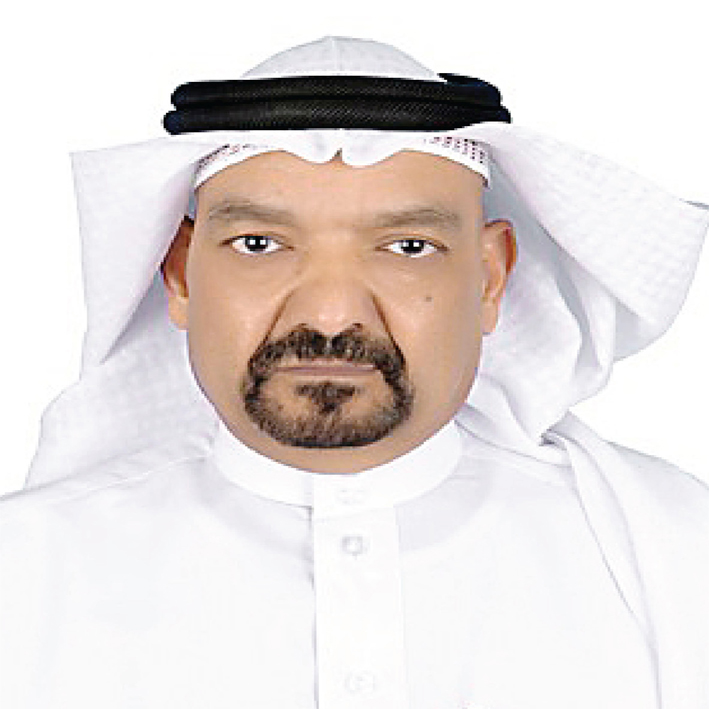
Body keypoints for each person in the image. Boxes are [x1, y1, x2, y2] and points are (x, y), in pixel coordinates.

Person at [1, 36, 707, 709]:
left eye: (408, 247)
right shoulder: (25, 576)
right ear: (181, 275)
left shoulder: (672, 557)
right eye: (259, 243)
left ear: (490, 279)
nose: (333, 314)